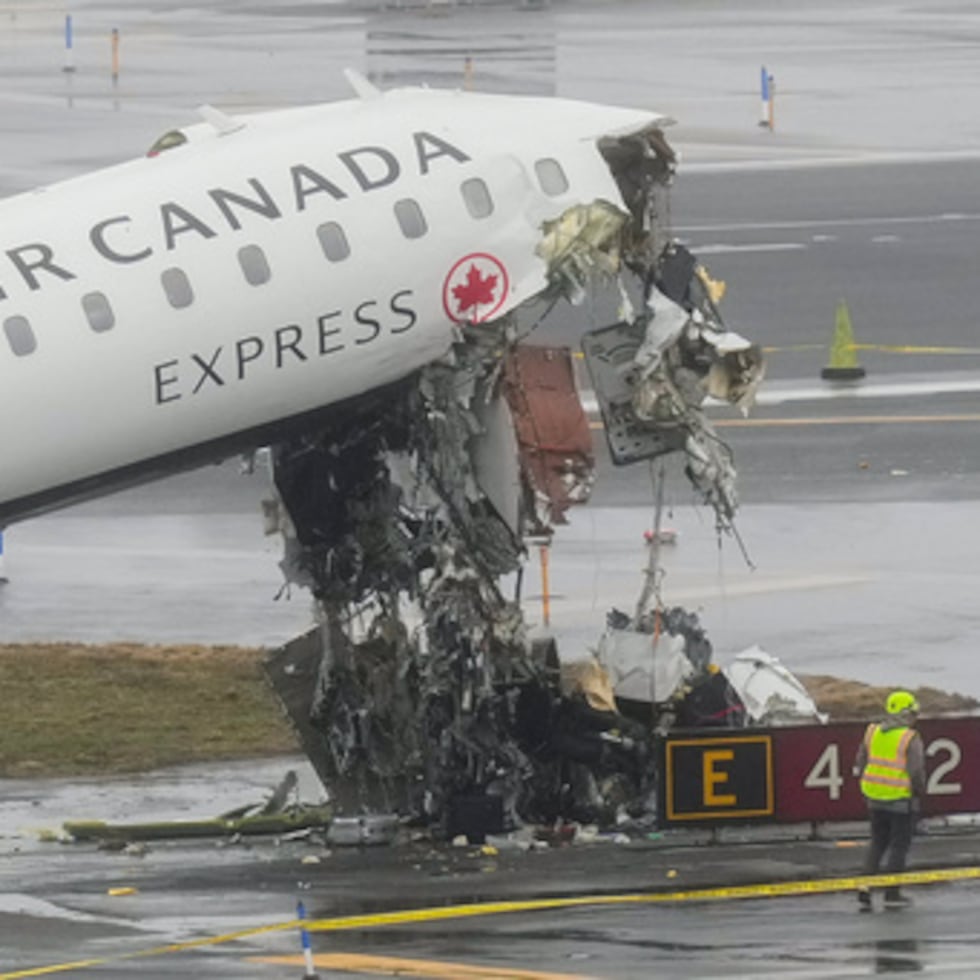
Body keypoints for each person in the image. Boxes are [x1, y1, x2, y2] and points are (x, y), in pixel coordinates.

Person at [853, 689, 926, 911]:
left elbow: (860, 762)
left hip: (874, 797)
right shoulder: (909, 738)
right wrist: (919, 793)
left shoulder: (872, 732)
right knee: (898, 847)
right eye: (913, 714)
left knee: (877, 842)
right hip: (901, 800)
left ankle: (864, 887)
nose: (915, 718)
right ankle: (892, 893)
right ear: (906, 714)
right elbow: (916, 771)